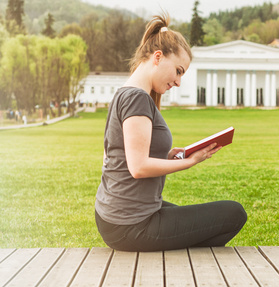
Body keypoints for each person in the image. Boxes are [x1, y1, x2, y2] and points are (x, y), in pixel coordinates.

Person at [95, 13, 247, 252]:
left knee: (204, 222)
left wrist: (169, 157)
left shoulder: (125, 93)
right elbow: (138, 167)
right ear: (157, 57)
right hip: (130, 225)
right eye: (178, 71)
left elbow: (121, 158)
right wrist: (190, 162)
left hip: (119, 218)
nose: (178, 82)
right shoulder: (137, 98)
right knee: (233, 214)